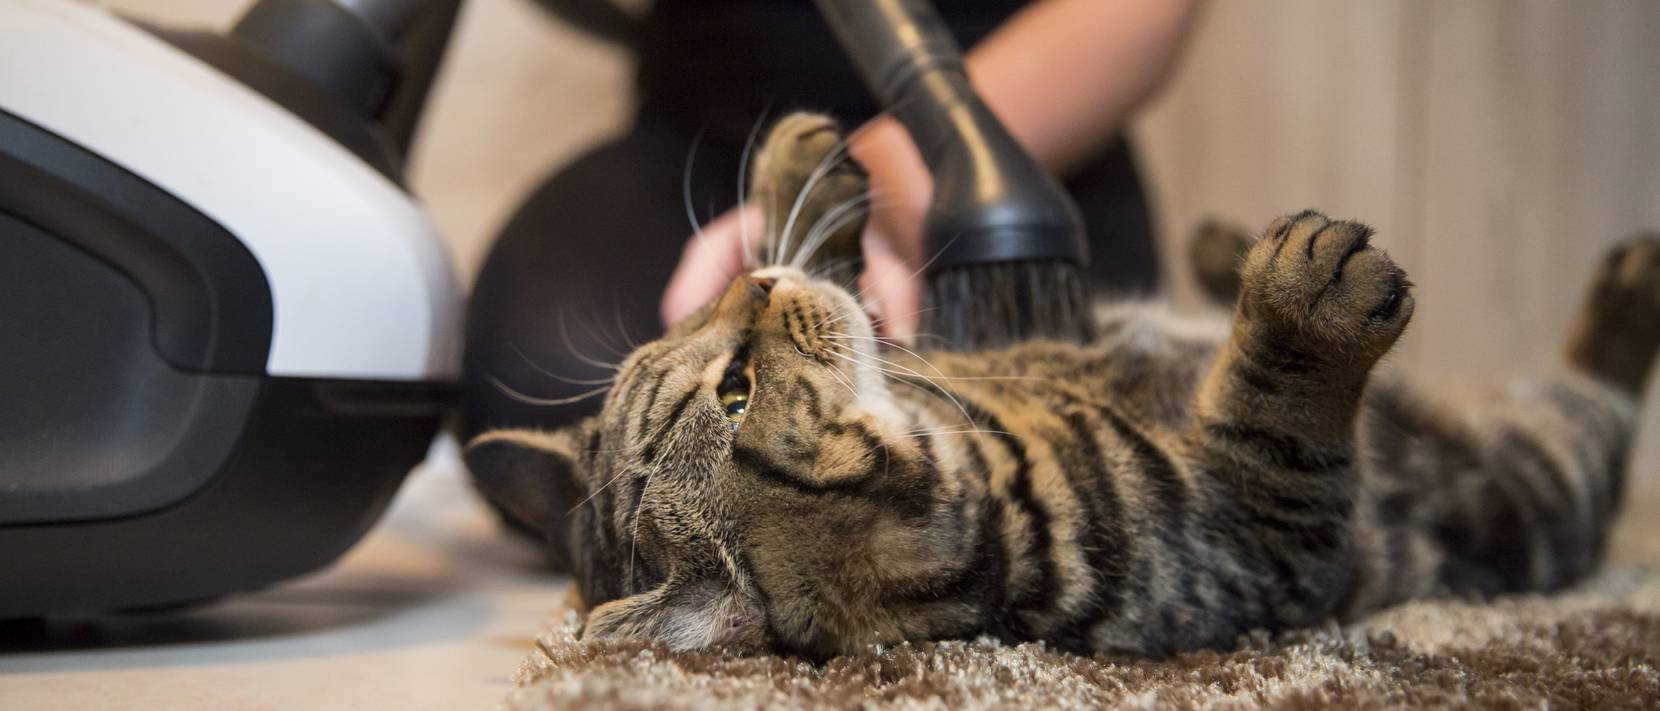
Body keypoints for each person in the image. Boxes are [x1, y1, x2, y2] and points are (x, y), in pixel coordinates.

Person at [463, 0, 1201, 439]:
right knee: (565, 385)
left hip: (1013, 148)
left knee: (1043, 439)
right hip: (712, 134)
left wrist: (887, 185)